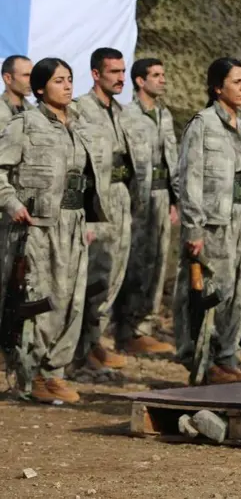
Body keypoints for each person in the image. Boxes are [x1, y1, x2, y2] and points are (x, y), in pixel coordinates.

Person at [0, 58, 106, 404]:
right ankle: (31, 374)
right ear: (40, 88)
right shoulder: (25, 124)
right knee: (41, 298)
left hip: (74, 222)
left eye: (70, 79)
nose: (67, 85)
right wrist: (12, 204)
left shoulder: (78, 124)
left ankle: (54, 372)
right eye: (59, 80)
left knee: (72, 299)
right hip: (38, 227)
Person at [173, 57, 241, 385]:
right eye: (236, 82)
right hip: (214, 222)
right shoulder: (202, 124)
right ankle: (204, 361)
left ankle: (228, 356)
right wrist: (193, 228)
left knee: (240, 292)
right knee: (212, 292)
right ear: (217, 88)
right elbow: (189, 179)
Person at [73, 47, 146, 372]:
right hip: (96, 204)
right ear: (95, 74)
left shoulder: (121, 112)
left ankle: (94, 341)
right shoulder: (80, 110)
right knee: (93, 278)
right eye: (114, 72)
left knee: (114, 276)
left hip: (121, 199)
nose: (120, 78)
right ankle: (80, 348)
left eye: (122, 71)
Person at [112, 58, 179, 355]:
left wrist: (175, 199)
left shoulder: (164, 115)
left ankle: (144, 327)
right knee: (135, 263)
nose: (162, 80)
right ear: (140, 81)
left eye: (163, 75)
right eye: (156, 75)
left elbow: (171, 159)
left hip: (162, 196)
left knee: (158, 261)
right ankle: (127, 329)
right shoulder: (126, 115)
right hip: (137, 199)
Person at [0, 55, 35, 128]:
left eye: (32, 75)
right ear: (8, 78)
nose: (31, 80)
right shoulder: (2, 112)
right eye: (26, 75)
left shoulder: (34, 111)